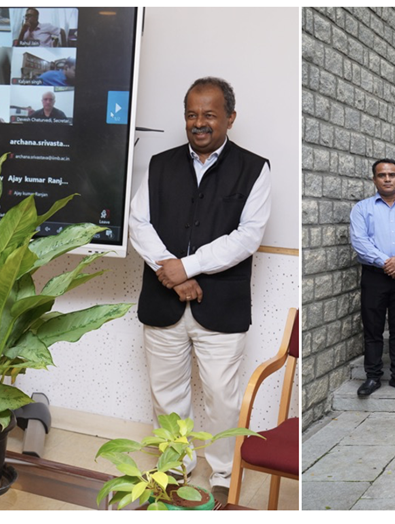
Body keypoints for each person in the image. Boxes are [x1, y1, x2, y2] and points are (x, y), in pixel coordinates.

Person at [127, 77, 270, 503]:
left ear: (230, 117)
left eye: (209, 115)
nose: (199, 123)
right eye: (192, 114)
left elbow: (247, 237)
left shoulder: (254, 167)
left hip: (221, 305)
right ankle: (176, 464)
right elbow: (139, 223)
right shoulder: (160, 163)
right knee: (166, 391)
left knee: (222, 396)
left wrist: (185, 267)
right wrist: (171, 273)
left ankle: (224, 473)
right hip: (163, 300)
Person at [350, 159, 395, 396]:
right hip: (374, 276)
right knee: (373, 328)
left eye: (392, 174)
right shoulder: (362, 209)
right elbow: (360, 241)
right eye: (382, 175)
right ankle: (373, 376)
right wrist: (386, 263)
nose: (387, 179)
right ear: (374, 179)